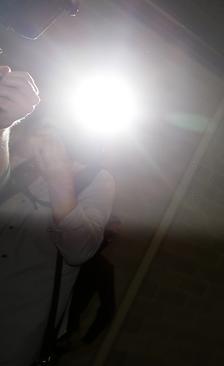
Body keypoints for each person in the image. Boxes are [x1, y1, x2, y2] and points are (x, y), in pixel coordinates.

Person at [0, 66, 116, 365]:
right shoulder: (13, 151)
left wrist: (59, 178)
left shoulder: (96, 179)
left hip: (15, 334)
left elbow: (80, 250)